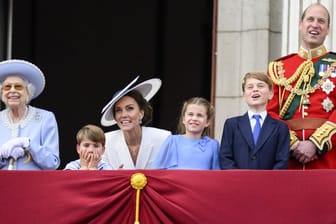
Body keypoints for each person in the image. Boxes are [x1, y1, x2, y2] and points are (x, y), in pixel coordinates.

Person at [267, 3, 336, 169]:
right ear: (300, 24)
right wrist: (293, 144)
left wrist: (316, 143)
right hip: (288, 158)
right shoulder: (278, 68)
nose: (315, 25)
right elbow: (269, 111)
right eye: (310, 19)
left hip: (328, 158)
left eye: (321, 21)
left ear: (327, 29)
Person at [219, 72, 290, 169]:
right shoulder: (232, 125)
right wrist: (240, 179)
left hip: (268, 182)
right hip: (238, 182)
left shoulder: (281, 127)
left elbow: (282, 160)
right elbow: (225, 157)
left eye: (260, 86)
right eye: (250, 87)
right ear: (244, 95)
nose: (255, 89)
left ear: (270, 94)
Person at [0, 59, 60, 170]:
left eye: (18, 87)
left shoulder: (45, 118)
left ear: (28, 92)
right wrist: (2, 155)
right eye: (7, 87)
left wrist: (29, 145)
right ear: (2, 93)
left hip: (34, 185)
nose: (12, 91)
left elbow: (52, 163)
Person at [100, 76, 171, 169]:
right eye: (118, 110)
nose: (123, 115)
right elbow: (102, 177)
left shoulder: (163, 138)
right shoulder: (106, 141)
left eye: (130, 108)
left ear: (141, 113)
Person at [151, 97, 220, 169]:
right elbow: (156, 170)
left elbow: (216, 175)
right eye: (190, 114)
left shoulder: (213, 145)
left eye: (199, 115)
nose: (194, 118)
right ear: (183, 119)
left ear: (207, 122)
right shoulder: (172, 141)